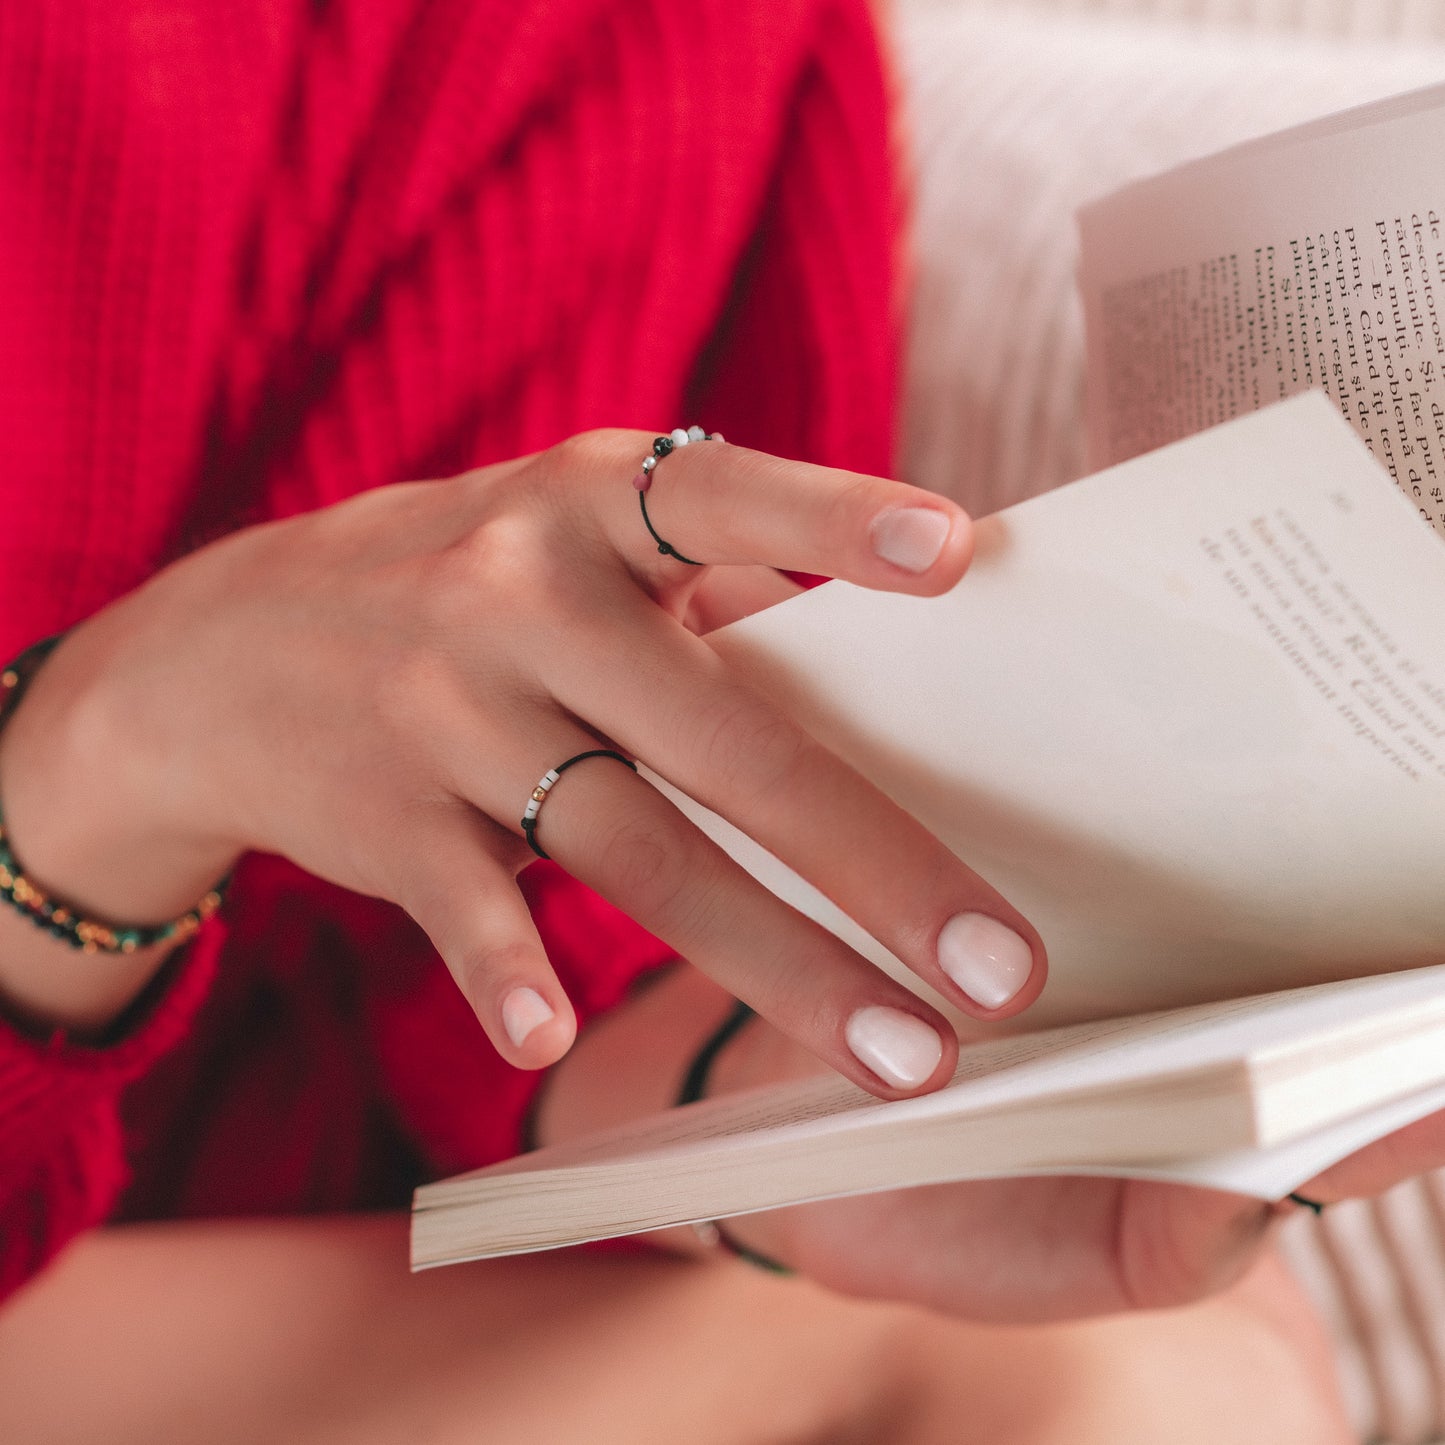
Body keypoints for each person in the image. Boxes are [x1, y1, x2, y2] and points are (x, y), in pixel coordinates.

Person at [0, 1, 1430, 1439]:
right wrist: (103, 749)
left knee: (1165, 1351)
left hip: (261, 1252)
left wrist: (732, 1094)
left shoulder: (627, 44)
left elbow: (473, 832)